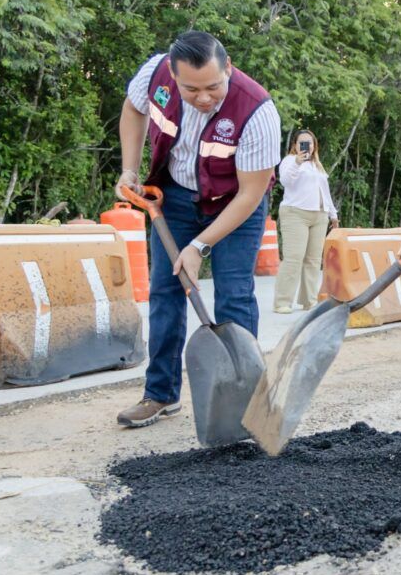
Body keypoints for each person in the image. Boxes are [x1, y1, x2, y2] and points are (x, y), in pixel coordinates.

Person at [115, 30, 280, 428]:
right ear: (173, 75)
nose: (204, 98)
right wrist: (129, 169)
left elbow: (250, 194)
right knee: (165, 292)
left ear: (228, 68)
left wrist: (199, 246)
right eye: (191, 89)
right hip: (174, 197)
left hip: (235, 205)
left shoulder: (257, 110)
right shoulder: (155, 75)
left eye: (213, 87)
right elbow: (133, 110)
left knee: (234, 296)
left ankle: (245, 403)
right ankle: (160, 394)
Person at [273, 129, 339, 313]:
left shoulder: (317, 165)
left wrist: (333, 214)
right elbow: (285, 181)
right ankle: (282, 302)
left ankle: (309, 301)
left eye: (309, 142)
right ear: (295, 145)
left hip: (319, 215)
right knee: (294, 258)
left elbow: (325, 192)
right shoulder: (289, 161)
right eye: (302, 142)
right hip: (296, 213)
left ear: (314, 145)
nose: (306, 146)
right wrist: (297, 162)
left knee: (313, 260)